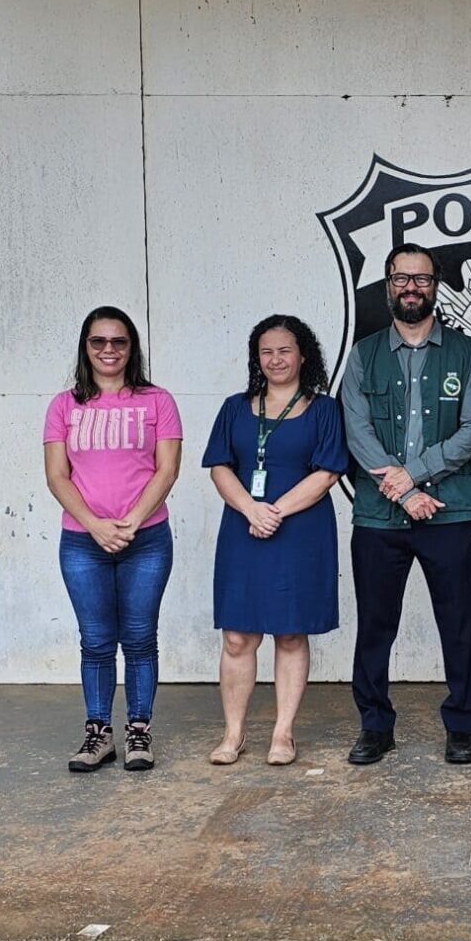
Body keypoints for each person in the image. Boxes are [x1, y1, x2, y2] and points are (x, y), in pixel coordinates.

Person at [341, 243, 471, 765]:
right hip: (379, 515)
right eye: (401, 278)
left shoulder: (467, 353)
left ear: (436, 285)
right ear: (388, 286)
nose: (411, 287)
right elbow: (357, 435)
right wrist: (405, 491)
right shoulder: (363, 356)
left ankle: (463, 726)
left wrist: (419, 476)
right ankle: (375, 726)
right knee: (376, 624)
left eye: (421, 279)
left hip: (448, 511)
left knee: (459, 622)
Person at [202, 315, 347, 767]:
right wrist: (251, 509)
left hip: (299, 531)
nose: (276, 359)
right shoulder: (234, 407)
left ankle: (283, 734)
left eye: (285, 350)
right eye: (266, 351)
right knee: (238, 638)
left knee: (289, 633)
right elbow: (220, 467)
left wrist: (275, 511)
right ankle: (234, 735)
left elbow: (327, 473)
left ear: (303, 354)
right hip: (244, 529)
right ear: (256, 358)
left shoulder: (324, 409)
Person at [44, 306, 182, 773]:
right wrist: (97, 525)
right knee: (97, 641)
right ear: (86, 347)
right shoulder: (65, 406)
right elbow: (57, 477)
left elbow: (167, 469)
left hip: (146, 539)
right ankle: (98, 734)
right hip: (83, 541)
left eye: (118, 342)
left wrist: (131, 521)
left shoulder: (157, 401)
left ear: (131, 347)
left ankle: (139, 731)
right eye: (98, 342)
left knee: (140, 638)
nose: (108, 350)